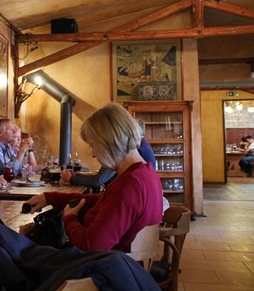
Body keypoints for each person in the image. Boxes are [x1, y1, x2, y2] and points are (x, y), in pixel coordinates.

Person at [23, 103, 163, 252]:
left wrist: (69, 218)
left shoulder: (129, 185)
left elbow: (92, 245)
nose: (93, 154)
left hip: (102, 269)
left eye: (93, 145)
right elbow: (103, 201)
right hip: (122, 265)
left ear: (108, 143)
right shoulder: (144, 173)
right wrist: (50, 198)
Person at [60, 118, 156, 191]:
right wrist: (76, 175)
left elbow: (98, 181)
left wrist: (72, 179)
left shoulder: (129, 152)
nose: (93, 154)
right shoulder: (142, 147)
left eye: (94, 146)